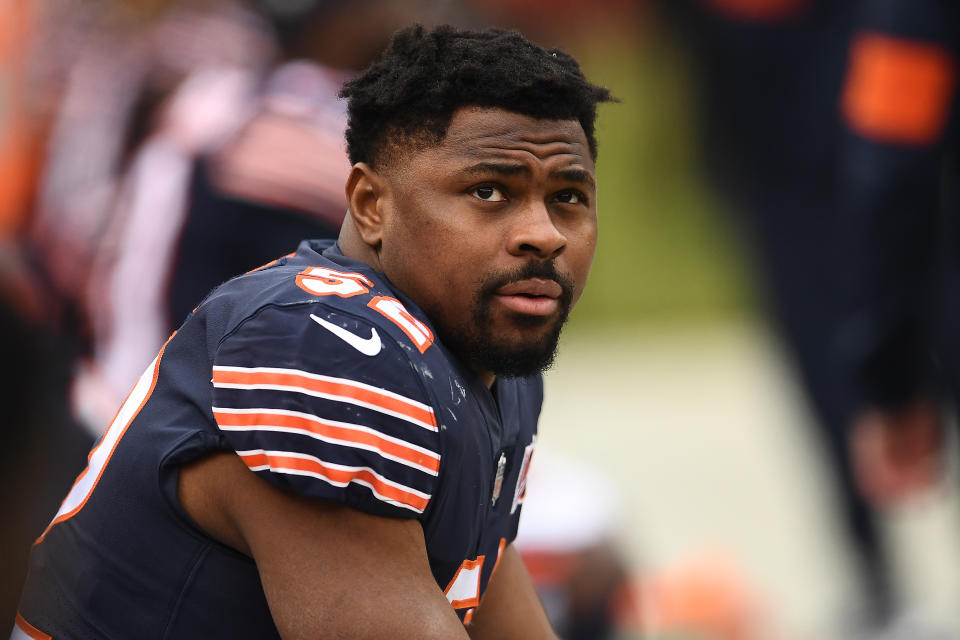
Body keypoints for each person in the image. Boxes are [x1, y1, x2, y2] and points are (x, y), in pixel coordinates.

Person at [13, 24, 613, 639]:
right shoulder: (324, 347)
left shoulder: (489, 363)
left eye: (568, 196)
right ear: (371, 204)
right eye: (489, 192)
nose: (545, 234)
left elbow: (487, 594)